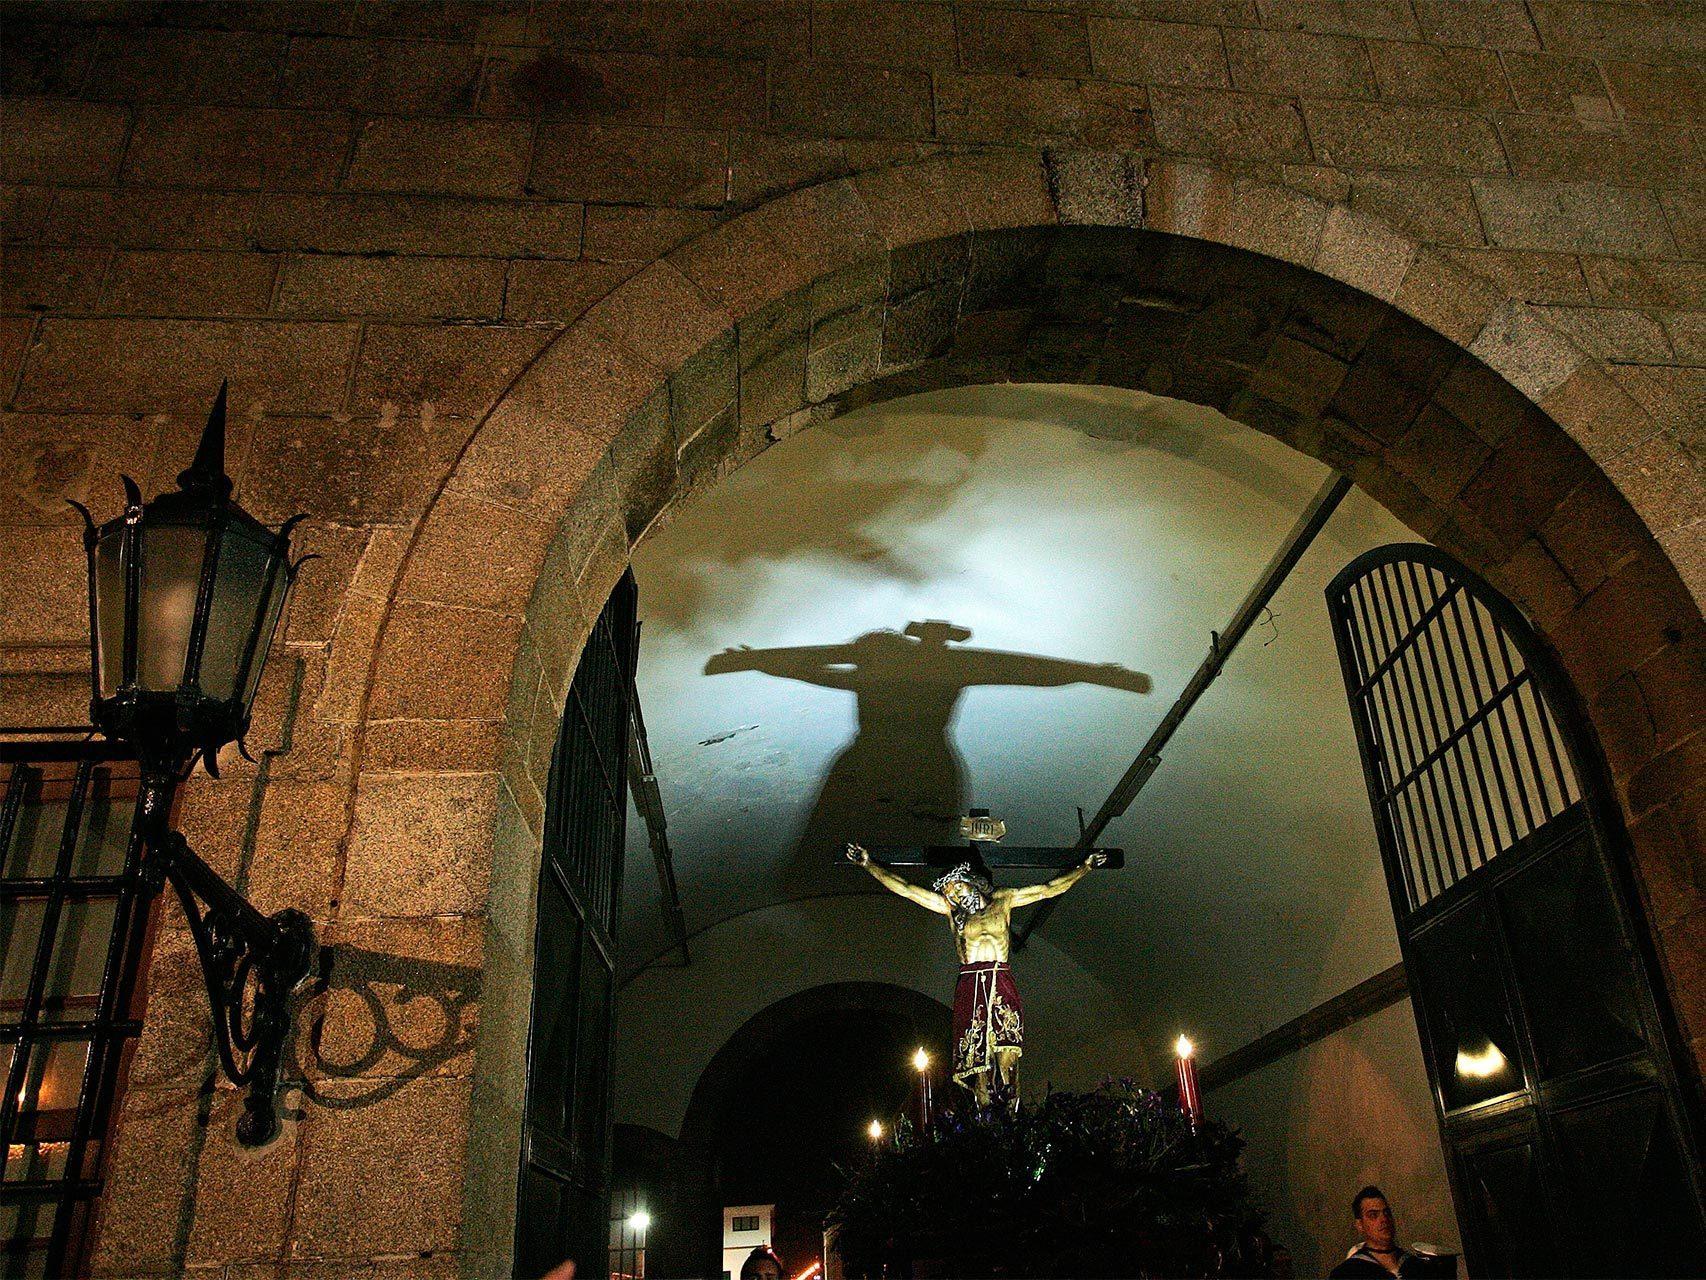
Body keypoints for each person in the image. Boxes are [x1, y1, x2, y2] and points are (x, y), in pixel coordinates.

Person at [847, 842, 1106, 1105]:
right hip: (970, 982)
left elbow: (1048, 889)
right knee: (977, 1062)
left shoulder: (1004, 900)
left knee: (1008, 1054)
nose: (957, 897)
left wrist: (1084, 868)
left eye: (958, 887)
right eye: (952, 895)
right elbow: (908, 890)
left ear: (971, 881)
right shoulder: (951, 911)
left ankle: (1012, 1116)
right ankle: (984, 1117)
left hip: (1000, 977)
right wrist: (869, 865)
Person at [1329, 1187, 1453, 1278]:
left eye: (1386, 1213)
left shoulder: (1416, 1266)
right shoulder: (1348, 1273)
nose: (1383, 1219)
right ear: (1360, 1225)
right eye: (1373, 1215)